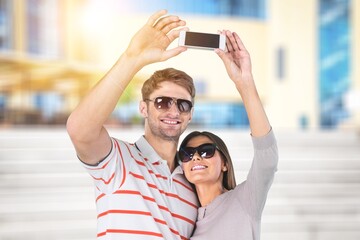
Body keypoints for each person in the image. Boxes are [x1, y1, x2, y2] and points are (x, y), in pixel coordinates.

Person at [66, 10, 199, 239]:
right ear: (143, 108)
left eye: (183, 105)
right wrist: (133, 58)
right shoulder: (117, 160)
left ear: (190, 114)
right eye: (162, 102)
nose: (173, 111)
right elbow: (80, 130)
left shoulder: (194, 181)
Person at [178, 31, 279, 240]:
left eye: (206, 151)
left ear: (224, 163)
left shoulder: (244, 200)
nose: (195, 157)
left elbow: (267, 159)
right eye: (187, 154)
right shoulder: (185, 222)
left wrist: (245, 83)